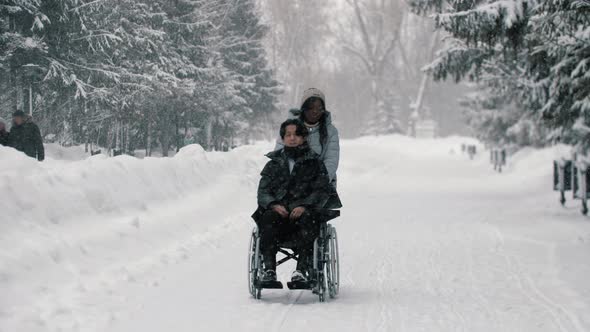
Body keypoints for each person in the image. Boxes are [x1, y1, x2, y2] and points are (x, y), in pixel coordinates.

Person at [252, 119, 339, 285]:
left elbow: (321, 190)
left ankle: (302, 270)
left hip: (305, 215)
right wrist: (273, 204)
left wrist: (304, 205)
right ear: (283, 138)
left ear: (304, 137)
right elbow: (263, 192)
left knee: (310, 218)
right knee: (267, 218)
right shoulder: (273, 164)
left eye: (297, 134)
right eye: (288, 135)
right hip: (279, 215)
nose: (292, 138)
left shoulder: (315, 164)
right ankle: (269, 270)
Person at [275, 88, 342, 209]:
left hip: (318, 183)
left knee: (309, 218)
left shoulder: (331, 132)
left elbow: (331, 160)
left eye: (319, 108)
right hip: (290, 181)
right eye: (311, 107)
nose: (315, 111)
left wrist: (316, 182)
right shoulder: (289, 127)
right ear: (303, 108)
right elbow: (279, 155)